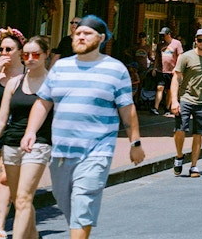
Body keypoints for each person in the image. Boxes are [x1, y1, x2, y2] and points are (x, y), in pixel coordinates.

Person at [21, 15, 144, 238]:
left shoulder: (115, 69)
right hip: (61, 153)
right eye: (77, 33)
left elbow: (127, 109)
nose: (80, 36)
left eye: (87, 33)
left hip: (96, 152)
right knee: (65, 203)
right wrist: (30, 131)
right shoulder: (60, 68)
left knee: (82, 202)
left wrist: (135, 143)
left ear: (101, 38)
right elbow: (43, 103)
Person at [0, 35, 53, 239]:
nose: (30, 59)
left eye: (36, 54)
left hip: (39, 143)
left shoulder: (53, 83)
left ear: (46, 54)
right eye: (26, 55)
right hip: (11, 144)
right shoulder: (14, 83)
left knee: (23, 198)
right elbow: (2, 118)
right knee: (18, 199)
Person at [170, 28, 202, 179]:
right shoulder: (185, 57)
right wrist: (174, 101)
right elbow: (176, 78)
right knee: (180, 129)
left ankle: (194, 165)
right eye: (199, 40)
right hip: (186, 98)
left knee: (198, 133)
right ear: (195, 40)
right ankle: (179, 156)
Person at [0, 28, 27, 237]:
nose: (4, 53)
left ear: (20, 52)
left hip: (14, 132)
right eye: (1, 49)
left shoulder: (27, 75)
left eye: (9, 49)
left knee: (4, 179)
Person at [153, 28, 182, 116]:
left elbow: (180, 56)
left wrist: (176, 68)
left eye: (164, 35)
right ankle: (155, 107)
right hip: (161, 70)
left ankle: (167, 107)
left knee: (169, 90)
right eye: (161, 35)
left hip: (171, 71)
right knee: (160, 87)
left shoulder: (177, 43)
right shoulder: (160, 45)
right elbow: (157, 57)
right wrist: (154, 68)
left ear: (169, 34)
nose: (162, 37)